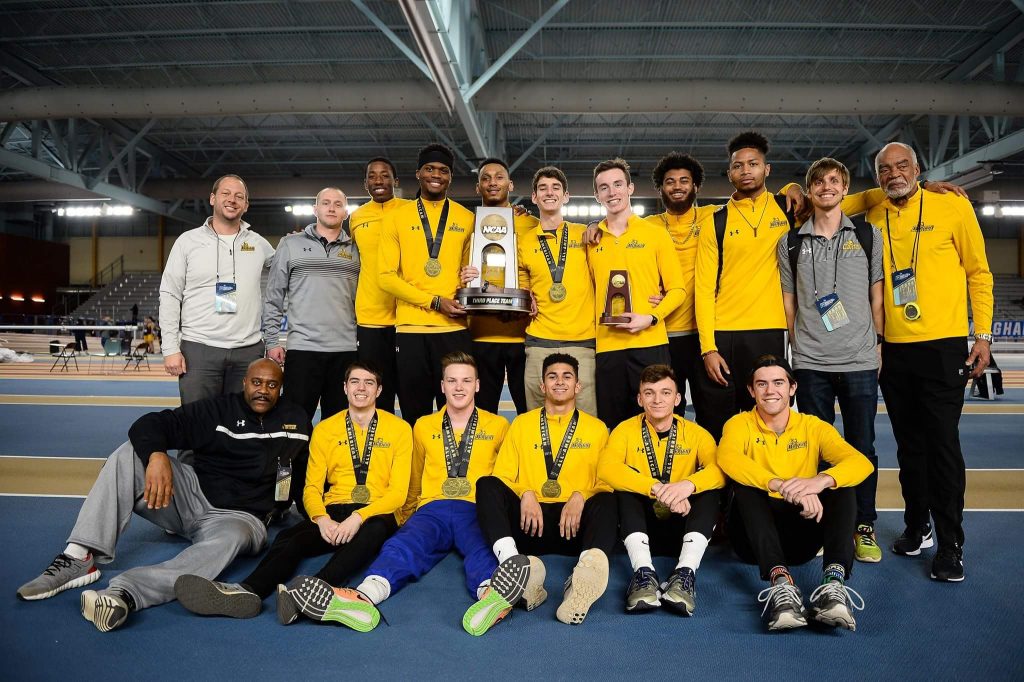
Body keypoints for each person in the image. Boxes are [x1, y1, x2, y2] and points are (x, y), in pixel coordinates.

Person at [15, 359, 309, 632]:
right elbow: (150, 423)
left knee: (228, 540)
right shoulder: (217, 411)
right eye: (257, 382)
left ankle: (124, 594)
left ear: (280, 388)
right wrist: (156, 455)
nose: (263, 390)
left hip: (240, 518)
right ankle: (79, 556)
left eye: (271, 385)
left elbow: (305, 472)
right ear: (244, 383)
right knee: (130, 454)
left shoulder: (296, 421)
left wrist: (313, 517)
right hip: (191, 496)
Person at [283, 352, 523, 637]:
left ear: (478, 385)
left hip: (472, 507)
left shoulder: (499, 426)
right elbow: (414, 477)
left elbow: (505, 476)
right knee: (400, 549)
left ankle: (490, 597)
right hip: (430, 508)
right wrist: (404, 517)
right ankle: (362, 598)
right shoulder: (422, 425)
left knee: (481, 550)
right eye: (452, 381)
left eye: (466, 381)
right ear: (442, 386)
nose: (459, 387)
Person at [173, 362, 411, 623]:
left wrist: (358, 518)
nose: (361, 388)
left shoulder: (400, 429)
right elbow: (311, 487)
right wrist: (321, 519)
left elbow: (398, 493)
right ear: (345, 388)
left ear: (379, 391)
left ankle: (315, 588)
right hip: (335, 508)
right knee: (290, 538)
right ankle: (249, 590)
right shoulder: (324, 429)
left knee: (373, 530)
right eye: (355, 381)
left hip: (376, 511)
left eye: (369, 383)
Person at [866, 142, 993, 582]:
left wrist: (983, 335)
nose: (894, 174)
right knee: (908, 446)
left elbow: (979, 272)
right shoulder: (872, 214)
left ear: (919, 169)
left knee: (941, 446)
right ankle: (917, 525)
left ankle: (951, 543)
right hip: (894, 349)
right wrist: (870, 194)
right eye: (885, 169)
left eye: (903, 166)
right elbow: (827, 198)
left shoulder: (952, 209)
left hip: (942, 347)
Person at [778, 157, 885, 563]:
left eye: (835, 181)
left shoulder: (868, 235)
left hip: (859, 358)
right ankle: (825, 521)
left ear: (844, 189)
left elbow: (877, 295)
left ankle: (863, 524)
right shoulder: (790, 242)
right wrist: (797, 346)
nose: (827, 187)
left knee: (862, 447)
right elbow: (789, 303)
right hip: (811, 363)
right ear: (809, 191)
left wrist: (878, 344)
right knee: (818, 450)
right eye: (819, 182)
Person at [718, 356, 872, 632]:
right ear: (752, 391)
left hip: (802, 536)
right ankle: (780, 587)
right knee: (745, 485)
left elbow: (862, 463)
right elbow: (728, 459)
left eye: (778, 383)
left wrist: (819, 482)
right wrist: (780, 484)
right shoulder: (738, 424)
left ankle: (833, 586)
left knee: (842, 484)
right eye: (761, 384)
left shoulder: (813, 426)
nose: (770, 390)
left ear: (792, 388)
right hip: (752, 540)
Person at [476, 352, 617, 626]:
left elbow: (607, 482)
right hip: (531, 524)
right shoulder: (521, 424)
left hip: (574, 526)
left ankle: (582, 578)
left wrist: (580, 496)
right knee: (486, 485)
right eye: (552, 377)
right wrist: (525, 493)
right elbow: (502, 475)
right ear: (542, 386)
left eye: (567, 377)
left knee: (609, 500)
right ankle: (516, 566)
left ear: (578, 386)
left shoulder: (598, 429)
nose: (559, 382)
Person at [263, 187, 359, 514]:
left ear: (346, 212)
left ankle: (330, 495)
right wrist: (272, 341)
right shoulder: (290, 245)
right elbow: (274, 296)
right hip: (302, 351)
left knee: (336, 434)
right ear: (315, 208)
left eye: (338, 204)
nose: (332, 208)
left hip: (345, 353)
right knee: (291, 432)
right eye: (326, 203)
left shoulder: (357, 249)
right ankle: (281, 498)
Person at [598, 364, 723, 615]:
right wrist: (656, 488)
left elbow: (719, 471)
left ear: (677, 399)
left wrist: (685, 487)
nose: (657, 400)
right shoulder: (624, 430)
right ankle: (643, 573)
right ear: (639, 398)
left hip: (683, 525)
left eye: (665, 393)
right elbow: (606, 468)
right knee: (624, 487)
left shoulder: (697, 434)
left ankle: (685, 574)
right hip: (642, 527)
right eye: (649, 392)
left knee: (709, 490)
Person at [378, 144, 474, 426]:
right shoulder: (396, 218)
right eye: (430, 169)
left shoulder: (467, 218)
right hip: (410, 330)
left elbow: (470, 275)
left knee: (457, 415)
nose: (436, 175)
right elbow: (386, 277)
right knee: (414, 414)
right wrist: (434, 301)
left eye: (443, 170)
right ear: (418, 173)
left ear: (451, 177)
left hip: (454, 329)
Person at [587, 158, 686, 428]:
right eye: (604, 187)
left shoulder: (655, 234)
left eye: (618, 184)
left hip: (650, 343)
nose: (612, 192)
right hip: (607, 346)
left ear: (630, 188)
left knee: (658, 421)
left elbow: (678, 290)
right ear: (597, 195)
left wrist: (652, 317)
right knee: (614, 426)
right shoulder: (591, 240)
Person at [159, 175, 274, 405]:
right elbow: (170, 294)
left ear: (246, 205)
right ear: (212, 199)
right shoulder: (187, 242)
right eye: (226, 194)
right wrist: (170, 347)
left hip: (247, 351)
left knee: (240, 427)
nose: (232, 200)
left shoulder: (259, 243)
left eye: (239, 196)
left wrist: (297, 243)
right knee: (198, 425)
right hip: (199, 350)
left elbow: (288, 267)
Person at [645, 153, 720, 420]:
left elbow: (751, 203)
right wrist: (594, 225)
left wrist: (789, 187)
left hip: (705, 334)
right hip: (663, 334)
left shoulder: (714, 217)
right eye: (670, 182)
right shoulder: (647, 226)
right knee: (666, 412)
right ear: (661, 188)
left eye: (684, 181)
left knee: (710, 408)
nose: (677, 186)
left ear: (695, 186)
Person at [518, 166, 597, 414]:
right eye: (542, 188)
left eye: (555, 188)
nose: (549, 193)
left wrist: (597, 222)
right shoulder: (524, 241)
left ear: (565, 196)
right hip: (539, 342)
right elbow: (522, 284)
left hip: (582, 342)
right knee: (537, 419)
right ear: (534, 197)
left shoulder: (586, 234)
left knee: (586, 421)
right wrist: (524, 293)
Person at [463, 158, 535, 415]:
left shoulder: (530, 224)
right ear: (477, 186)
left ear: (510, 184)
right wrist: (462, 276)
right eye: (485, 178)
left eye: (499, 177)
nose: (492, 183)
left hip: (522, 335)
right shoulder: (466, 226)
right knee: (483, 420)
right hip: (480, 335)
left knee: (529, 418)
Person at [350, 158, 410, 413]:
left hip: (408, 317)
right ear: (365, 184)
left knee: (410, 392)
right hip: (371, 318)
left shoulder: (410, 210)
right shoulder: (356, 217)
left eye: (384, 175)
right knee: (376, 395)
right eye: (372, 176)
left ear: (395, 181)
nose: (378, 180)